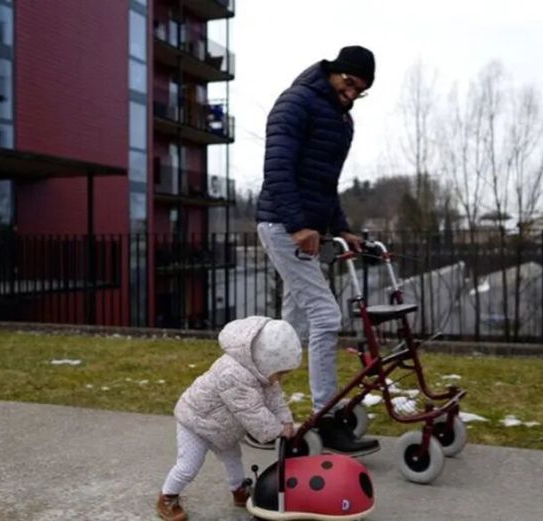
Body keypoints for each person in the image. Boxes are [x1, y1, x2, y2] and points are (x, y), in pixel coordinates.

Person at [255, 45, 380, 456]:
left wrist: (341, 227)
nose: (350, 96)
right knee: (326, 315)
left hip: (305, 230)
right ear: (334, 71)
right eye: (348, 85)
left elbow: (325, 186)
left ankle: (249, 402)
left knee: (291, 328)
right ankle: (326, 418)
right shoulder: (296, 102)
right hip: (283, 226)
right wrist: (297, 225)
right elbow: (277, 168)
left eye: (359, 92)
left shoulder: (342, 120)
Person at [156, 316, 302, 521]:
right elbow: (251, 411)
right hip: (196, 423)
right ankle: (167, 496)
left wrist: (285, 421)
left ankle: (238, 490)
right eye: (279, 373)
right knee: (188, 466)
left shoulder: (262, 374)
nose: (279, 379)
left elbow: (275, 399)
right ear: (265, 361)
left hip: (222, 429)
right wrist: (277, 431)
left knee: (233, 458)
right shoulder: (233, 374)